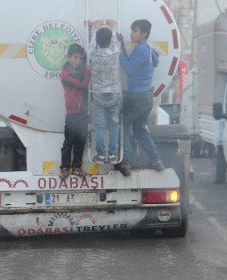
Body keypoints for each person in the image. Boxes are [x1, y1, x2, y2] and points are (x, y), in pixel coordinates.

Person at [118, 19, 165, 174]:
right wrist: (123, 47)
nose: (132, 33)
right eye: (132, 30)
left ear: (144, 33)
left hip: (136, 96)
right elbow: (136, 64)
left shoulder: (141, 50)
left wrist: (119, 51)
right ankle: (156, 160)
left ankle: (126, 163)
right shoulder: (149, 50)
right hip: (147, 97)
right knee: (139, 129)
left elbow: (129, 68)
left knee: (124, 127)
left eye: (135, 31)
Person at [89, 19, 122, 165]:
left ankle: (101, 155)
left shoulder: (94, 54)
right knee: (114, 125)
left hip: (98, 94)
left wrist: (94, 28)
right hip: (114, 93)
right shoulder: (115, 52)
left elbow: (91, 44)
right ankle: (114, 155)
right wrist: (113, 26)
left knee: (100, 126)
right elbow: (115, 42)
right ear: (110, 41)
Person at [59, 44, 91, 178]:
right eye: (75, 58)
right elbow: (82, 84)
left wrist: (86, 72)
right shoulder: (65, 74)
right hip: (72, 113)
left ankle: (77, 167)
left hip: (83, 112)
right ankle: (65, 168)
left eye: (80, 59)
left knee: (80, 141)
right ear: (69, 57)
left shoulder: (81, 70)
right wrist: (89, 72)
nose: (78, 61)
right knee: (68, 142)